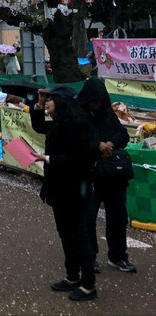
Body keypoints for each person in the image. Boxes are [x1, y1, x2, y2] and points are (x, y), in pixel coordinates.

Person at [29, 86, 99, 302]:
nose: (47, 102)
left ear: (63, 102)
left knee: (78, 235)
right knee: (65, 233)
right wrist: (38, 106)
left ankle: (88, 284)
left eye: (51, 99)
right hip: (59, 188)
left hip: (75, 188)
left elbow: (80, 160)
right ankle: (72, 276)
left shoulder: (77, 125)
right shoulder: (60, 123)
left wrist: (48, 158)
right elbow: (39, 126)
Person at [78, 77, 136, 273]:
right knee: (88, 217)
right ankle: (89, 256)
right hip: (90, 174)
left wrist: (110, 143)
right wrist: (97, 145)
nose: (97, 103)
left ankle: (118, 255)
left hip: (113, 173)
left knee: (118, 215)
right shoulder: (79, 115)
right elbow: (77, 139)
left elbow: (123, 135)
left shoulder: (107, 114)